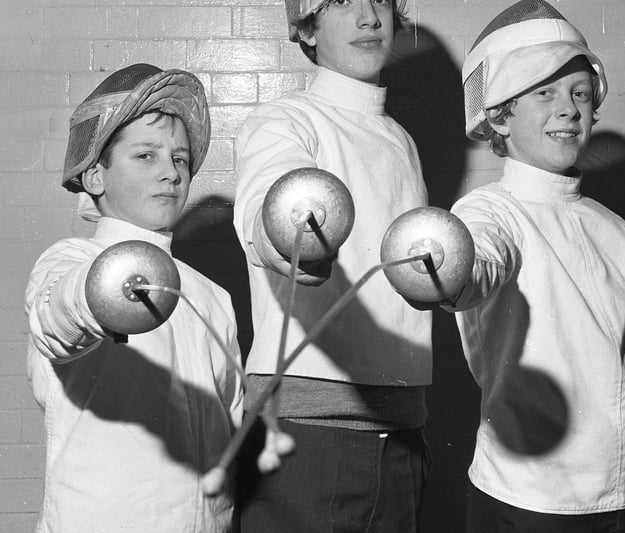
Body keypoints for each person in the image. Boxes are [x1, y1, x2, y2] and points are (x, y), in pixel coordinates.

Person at [446, 1, 625, 531]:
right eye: (545, 92)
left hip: (622, 502)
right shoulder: (489, 211)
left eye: (580, 93)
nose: (568, 109)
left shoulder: (618, 231)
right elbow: (475, 263)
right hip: (526, 501)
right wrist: (441, 267)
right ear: (498, 115)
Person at [232, 0, 431, 531]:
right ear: (308, 26)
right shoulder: (285, 120)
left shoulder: (402, 141)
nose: (370, 18)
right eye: (344, 2)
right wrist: (292, 242)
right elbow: (267, 206)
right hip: (306, 426)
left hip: (402, 425)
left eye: (381, 1)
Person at [25, 63, 243, 533]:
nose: (170, 173)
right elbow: (56, 320)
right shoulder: (69, 263)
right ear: (96, 176)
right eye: (146, 156)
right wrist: (97, 295)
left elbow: (230, 419)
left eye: (180, 159)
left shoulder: (211, 296)